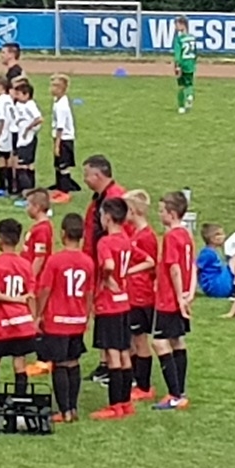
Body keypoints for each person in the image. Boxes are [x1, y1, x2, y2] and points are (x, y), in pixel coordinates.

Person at [90, 198, 152, 420]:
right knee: (125, 352)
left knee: (112, 354)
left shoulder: (105, 242)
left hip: (108, 304)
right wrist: (125, 274)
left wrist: (108, 279)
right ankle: (126, 403)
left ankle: (114, 405)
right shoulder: (126, 240)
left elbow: (108, 265)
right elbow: (149, 261)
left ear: (107, 217)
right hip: (125, 302)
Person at [0, 219, 38, 428]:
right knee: (19, 364)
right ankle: (19, 411)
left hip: (3, 324)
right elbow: (31, 294)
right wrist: (31, 313)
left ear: (0, 239)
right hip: (23, 323)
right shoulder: (25, 264)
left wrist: (16, 299)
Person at [35, 213, 95, 423]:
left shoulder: (55, 260)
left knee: (59, 364)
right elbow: (89, 293)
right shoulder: (88, 262)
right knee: (73, 362)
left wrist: (38, 314)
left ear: (63, 234)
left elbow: (45, 289)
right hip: (77, 320)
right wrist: (86, 315)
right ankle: (73, 408)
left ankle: (63, 411)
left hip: (57, 320)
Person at [80, 155, 127, 383]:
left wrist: (108, 275)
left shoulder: (114, 198)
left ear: (97, 175)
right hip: (98, 261)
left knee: (110, 318)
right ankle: (105, 363)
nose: (84, 180)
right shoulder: (100, 198)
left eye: (86, 175)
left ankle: (113, 368)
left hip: (107, 268)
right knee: (104, 317)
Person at [151, 192, 195, 411]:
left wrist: (178, 297)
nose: (159, 215)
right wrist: (190, 292)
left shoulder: (170, 237)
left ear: (172, 213)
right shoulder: (186, 234)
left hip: (168, 299)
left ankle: (174, 394)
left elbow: (174, 268)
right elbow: (192, 265)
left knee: (159, 342)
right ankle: (181, 392)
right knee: (177, 340)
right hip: (182, 296)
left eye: (161, 211)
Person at [122, 190, 158, 402]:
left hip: (141, 296)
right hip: (132, 294)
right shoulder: (135, 233)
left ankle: (144, 385)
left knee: (140, 339)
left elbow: (152, 266)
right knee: (133, 339)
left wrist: (130, 273)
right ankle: (137, 379)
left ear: (133, 210)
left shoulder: (146, 237)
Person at [22, 189, 54, 377]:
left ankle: (44, 360)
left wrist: (30, 279)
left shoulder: (42, 229)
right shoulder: (39, 227)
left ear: (37, 207)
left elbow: (39, 257)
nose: (26, 208)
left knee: (37, 318)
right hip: (35, 279)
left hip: (38, 280)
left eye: (28, 204)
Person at [50, 74, 81, 201]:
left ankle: (65, 191)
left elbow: (60, 127)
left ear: (61, 89)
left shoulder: (62, 106)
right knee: (58, 165)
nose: (51, 89)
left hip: (64, 139)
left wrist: (57, 144)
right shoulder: (57, 101)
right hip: (59, 138)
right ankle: (59, 187)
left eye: (54, 86)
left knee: (63, 165)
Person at [13, 82, 42, 193]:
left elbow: (39, 119)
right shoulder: (19, 105)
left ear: (27, 95)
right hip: (22, 139)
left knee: (22, 165)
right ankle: (30, 191)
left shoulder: (30, 105)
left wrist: (28, 128)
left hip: (27, 140)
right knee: (28, 165)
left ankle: (26, 191)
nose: (16, 96)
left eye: (18, 94)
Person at [196, 224, 235, 299]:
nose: (224, 236)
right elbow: (196, 269)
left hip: (218, 284)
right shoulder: (207, 253)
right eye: (220, 234)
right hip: (215, 286)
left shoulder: (213, 252)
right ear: (213, 239)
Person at [0, 76, 16, 192]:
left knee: (0, 159)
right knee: (8, 157)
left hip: (2, 133)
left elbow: (1, 119)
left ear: (0, 86)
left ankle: (2, 185)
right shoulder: (9, 99)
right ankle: (10, 185)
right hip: (10, 132)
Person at [172, 15, 197, 113]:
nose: (176, 27)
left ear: (183, 25)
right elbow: (195, 52)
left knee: (181, 85)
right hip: (191, 63)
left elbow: (177, 54)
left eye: (177, 24)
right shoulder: (192, 38)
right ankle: (190, 95)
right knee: (189, 83)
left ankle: (181, 106)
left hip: (183, 63)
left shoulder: (179, 39)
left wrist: (177, 65)